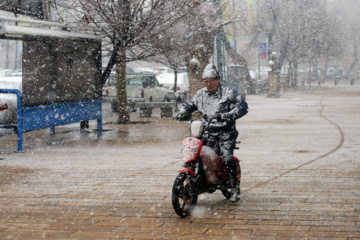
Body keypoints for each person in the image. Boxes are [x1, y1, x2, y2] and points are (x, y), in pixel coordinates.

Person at [175, 64, 248, 202]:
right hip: (207, 131)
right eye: (206, 81)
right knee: (198, 154)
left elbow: (243, 107)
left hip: (226, 132)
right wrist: (182, 113)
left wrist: (228, 115)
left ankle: (234, 187)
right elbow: (189, 104)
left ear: (218, 79)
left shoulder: (228, 92)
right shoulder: (201, 94)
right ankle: (199, 180)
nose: (209, 84)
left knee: (226, 158)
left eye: (212, 81)